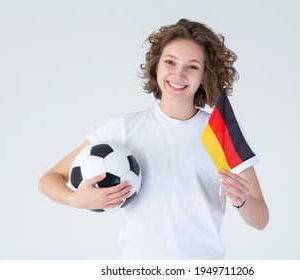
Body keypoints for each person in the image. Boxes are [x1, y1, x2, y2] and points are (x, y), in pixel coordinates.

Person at [39, 18, 269, 259]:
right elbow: (48, 180)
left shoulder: (221, 132)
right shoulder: (124, 129)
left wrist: (242, 201)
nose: (178, 74)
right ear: (156, 66)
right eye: (170, 62)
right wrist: (77, 199)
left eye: (192, 66)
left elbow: (261, 219)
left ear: (205, 75)